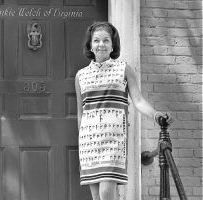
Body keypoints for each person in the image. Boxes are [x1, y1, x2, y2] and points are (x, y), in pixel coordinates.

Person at [75, 21, 173, 200]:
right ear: (90, 45)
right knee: (97, 196)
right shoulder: (80, 75)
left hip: (113, 139)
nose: (101, 44)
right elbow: (81, 113)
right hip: (89, 143)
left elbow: (138, 100)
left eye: (106, 40)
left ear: (113, 45)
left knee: (106, 193)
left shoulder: (124, 69)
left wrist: (155, 114)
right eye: (96, 40)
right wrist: (81, 141)